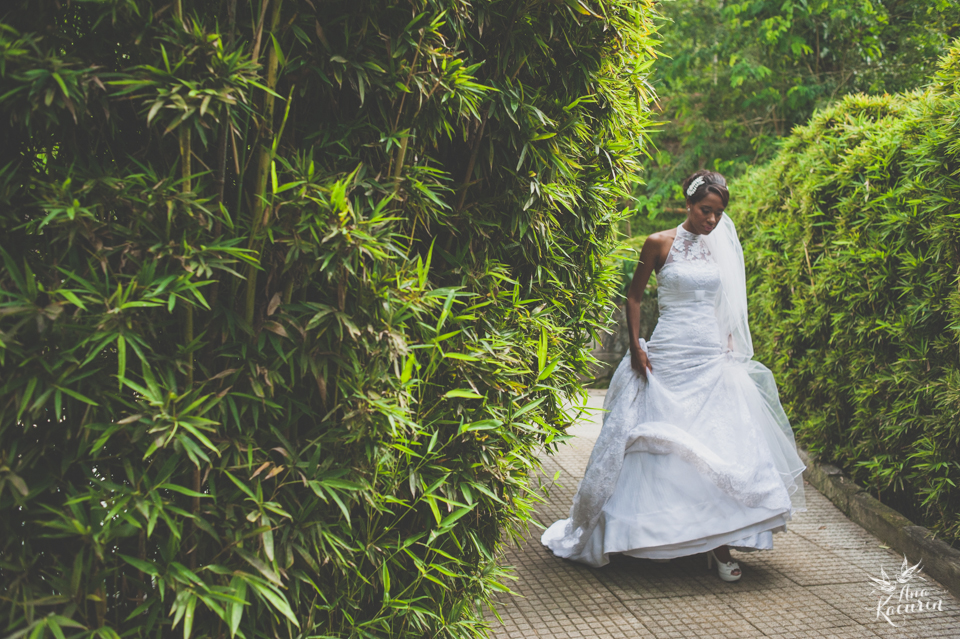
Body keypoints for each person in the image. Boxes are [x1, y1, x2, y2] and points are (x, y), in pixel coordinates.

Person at [541, 170, 806, 581]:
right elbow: (633, 296)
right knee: (658, 443)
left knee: (715, 444)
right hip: (667, 354)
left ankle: (717, 546)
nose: (713, 221)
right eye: (706, 210)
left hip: (710, 356)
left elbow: (727, 304)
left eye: (719, 213)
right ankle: (648, 536)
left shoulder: (720, 250)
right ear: (689, 204)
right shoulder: (659, 242)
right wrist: (634, 346)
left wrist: (730, 340)